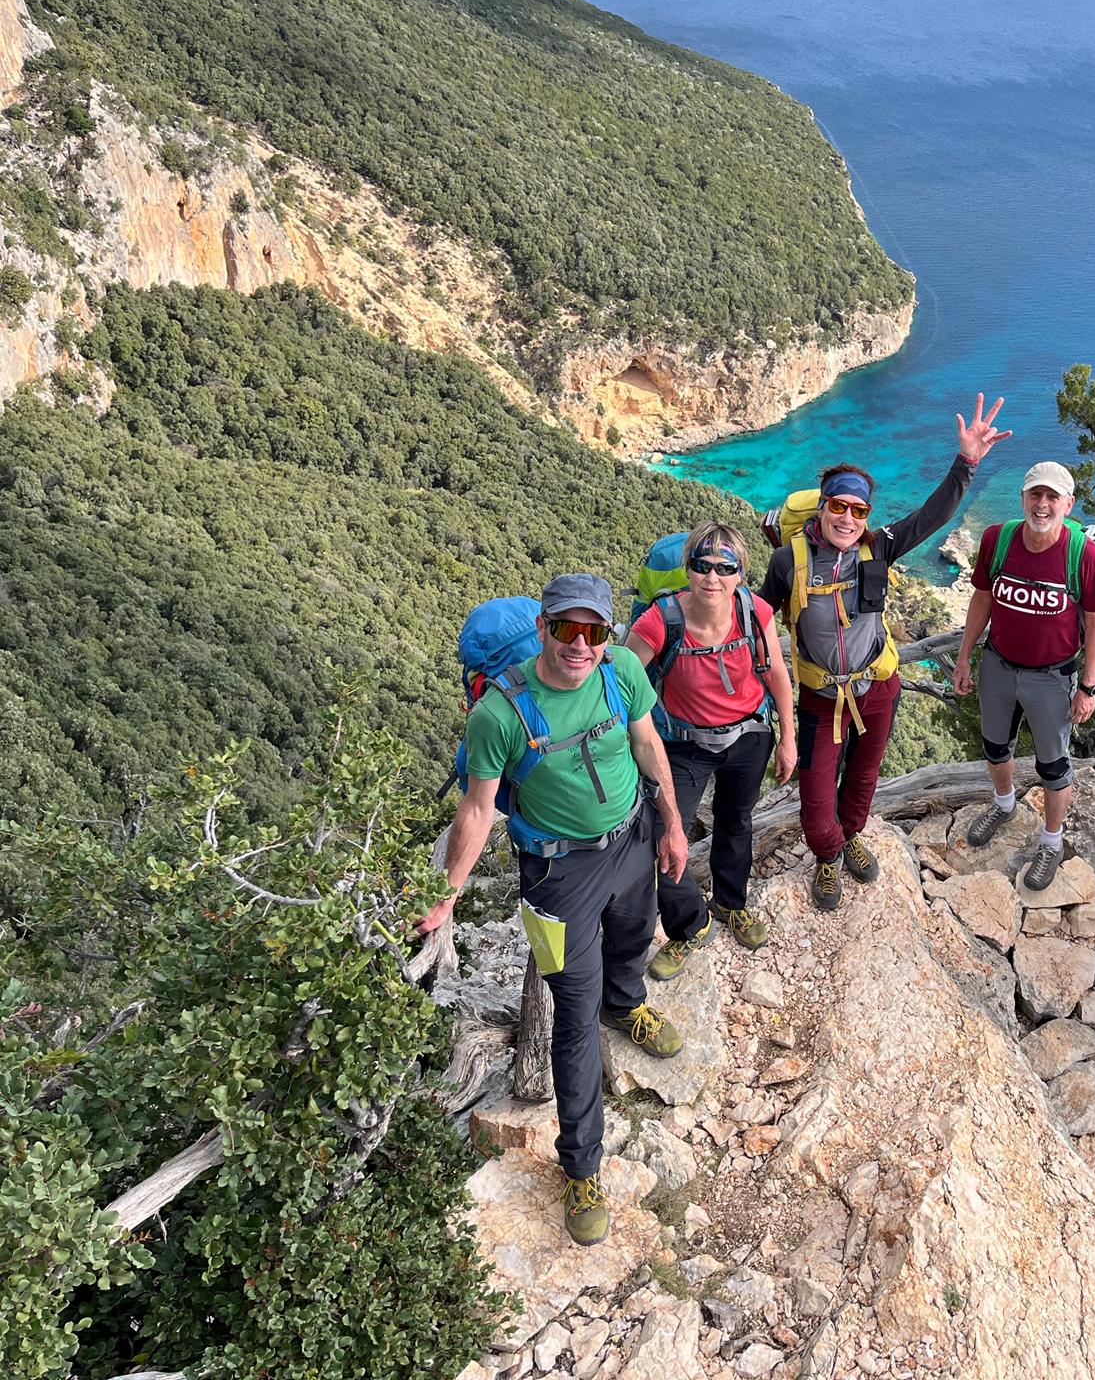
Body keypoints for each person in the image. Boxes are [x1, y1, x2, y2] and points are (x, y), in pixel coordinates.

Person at [424, 573, 690, 1246]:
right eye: (567, 629)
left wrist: (670, 820)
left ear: (607, 634)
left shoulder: (620, 669)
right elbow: (477, 810)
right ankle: (582, 1167)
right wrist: (447, 895)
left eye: (593, 631)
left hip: (630, 838)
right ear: (543, 628)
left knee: (633, 938)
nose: (580, 645)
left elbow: (646, 743)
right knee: (572, 1017)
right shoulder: (499, 715)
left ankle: (626, 1005)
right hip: (556, 876)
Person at [761, 395, 1011, 910]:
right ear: (822, 507)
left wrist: (966, 462)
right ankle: (827, 854)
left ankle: (851, 835)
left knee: (863, 776)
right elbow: (757, 618)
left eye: (859, 511)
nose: (848, 518)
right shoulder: (788, 561)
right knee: (815, 794)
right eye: (838, 507)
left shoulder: (877, 547)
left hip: (878, 688)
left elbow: (932, 516)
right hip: (820, 698)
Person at [626, 522, 797, 972]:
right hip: (683, 745)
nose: (712, 577)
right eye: (702, 566)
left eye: (725, 568)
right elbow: (620, 686)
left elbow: (776, 673)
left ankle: (730, 902)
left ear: (740, 573)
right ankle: (690, 926)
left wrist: (788, 738)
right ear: (688, 569)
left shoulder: (754, 611)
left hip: (749, 736)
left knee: (735, 822)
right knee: (664, 837)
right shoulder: (659, 621)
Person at [953, 461, 1095, 890]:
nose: (1042, 504)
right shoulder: (997, 539)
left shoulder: (1083, 555)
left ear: (1068, 504)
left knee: (1053, 766)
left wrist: (1089, 686)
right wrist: (964, 657)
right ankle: (1004, 805)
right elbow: (982, 599)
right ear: (1023, 498)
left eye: (1052, 497)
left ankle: (1051, 841)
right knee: (994, 746)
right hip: (999, 665)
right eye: (1035, 495)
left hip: (1051, 677)